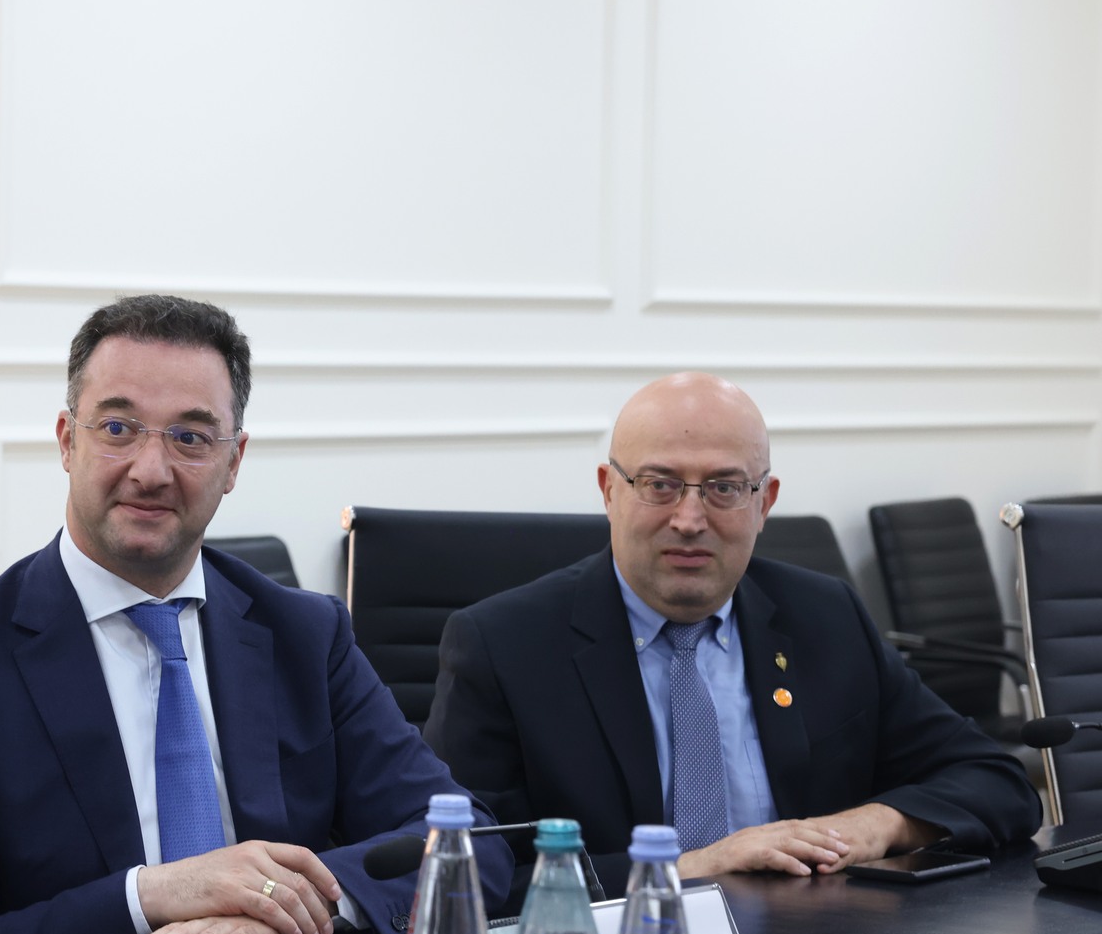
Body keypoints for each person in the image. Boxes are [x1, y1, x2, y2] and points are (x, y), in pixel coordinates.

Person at [0, 294, 509, 934]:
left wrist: (288, 905)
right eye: (118, 428)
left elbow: (471, 847)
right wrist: (151, 895)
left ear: (234, 462)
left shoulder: (304, 636)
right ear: (67, 442)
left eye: (190, 438)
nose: (151, 470)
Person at [425, 372, 1040, 896]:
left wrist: (871, 827)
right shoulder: (504, 645)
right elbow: (463, 871)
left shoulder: (824, 616)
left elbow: (996, 780)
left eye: (724, 487)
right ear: (609, 491)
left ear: (764, 503)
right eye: (659, 484)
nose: (689, 519)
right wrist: (691, 868)